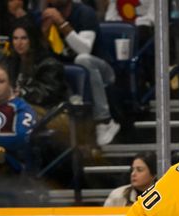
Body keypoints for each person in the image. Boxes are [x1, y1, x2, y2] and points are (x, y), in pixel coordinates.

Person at [41, 0, 121, 146]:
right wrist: (43, 34)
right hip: (67, 71)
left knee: (82, 59)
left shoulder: (85, 13)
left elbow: (84, 49)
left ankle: (105, 120)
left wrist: (62, 23)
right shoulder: (46, 16)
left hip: (102, 69)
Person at [0, 63, 36, 174]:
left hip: (9, 164)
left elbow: (21, 139)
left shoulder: (22, 107)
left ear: (9, 85)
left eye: (1, 81)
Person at [6, 22, 68, 117]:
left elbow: (48, 94)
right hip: (22, 107)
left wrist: (23, 92)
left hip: (49, 112)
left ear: (32, 39)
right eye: (15, 38)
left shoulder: (49, 64)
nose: (19, 43)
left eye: (24, 38)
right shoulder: (12, 62)